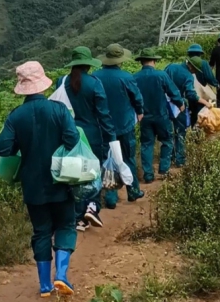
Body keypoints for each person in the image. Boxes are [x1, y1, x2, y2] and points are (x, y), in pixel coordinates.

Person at [0, 61, 80, 297]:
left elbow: (1, 147)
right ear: (43, 84)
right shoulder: (59, 110)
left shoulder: (16, 116)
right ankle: (61, 276)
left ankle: (44, 285)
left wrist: (21, 148)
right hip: (61, 180)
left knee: (41, 231)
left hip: (32, 185)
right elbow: (72, 139)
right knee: (65, 225)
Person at [55, 47, 116, 232]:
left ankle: (74, 215)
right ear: (88, 65)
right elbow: (104, 115)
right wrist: (111, 139)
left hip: (69, 135)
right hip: (92, 136)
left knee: (73, 175)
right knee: (92, 174)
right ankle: (91, 208)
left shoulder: (61, 81)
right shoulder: (94, 83)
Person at [94, 44, 145, 207]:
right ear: (120, 60)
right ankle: (133, 190)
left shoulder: (95, 77)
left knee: (108, 159)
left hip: (103, 126)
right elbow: (137, 98)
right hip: (124, 124)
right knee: (128, 157)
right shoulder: (126, 77)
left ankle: (110, 198)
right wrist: (140, 111)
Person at [134, 49, 185, 182]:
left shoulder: (135, 77)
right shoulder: (161, 75)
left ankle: (148, 175)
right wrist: (180, 103)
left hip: (144, 117)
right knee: (167, 141)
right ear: (154, 61)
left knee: (146, 144)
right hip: (161, 115)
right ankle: (164, 170)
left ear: (141, 62)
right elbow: (173, 91)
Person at [164, 58, 212, 168]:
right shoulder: (188, 76)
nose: (195, 72)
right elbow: (191, 94)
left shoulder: (170, 66)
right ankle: (180, 160)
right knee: (180, 132)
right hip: (178, 105)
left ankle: (170, 157)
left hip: (164, 104)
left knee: (169, 132)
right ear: (191, 66)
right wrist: (205, 102)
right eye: (195, 70)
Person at [187, 44, 218, 126]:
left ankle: (192, 128)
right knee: (201, 111)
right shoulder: (203, 63)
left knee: (192, 112)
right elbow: (209, 77)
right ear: (200, 54)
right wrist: (216, 84)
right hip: (201, 94)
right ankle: (201, 129)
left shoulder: (186, 63)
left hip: (188, 92)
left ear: (189, 54)